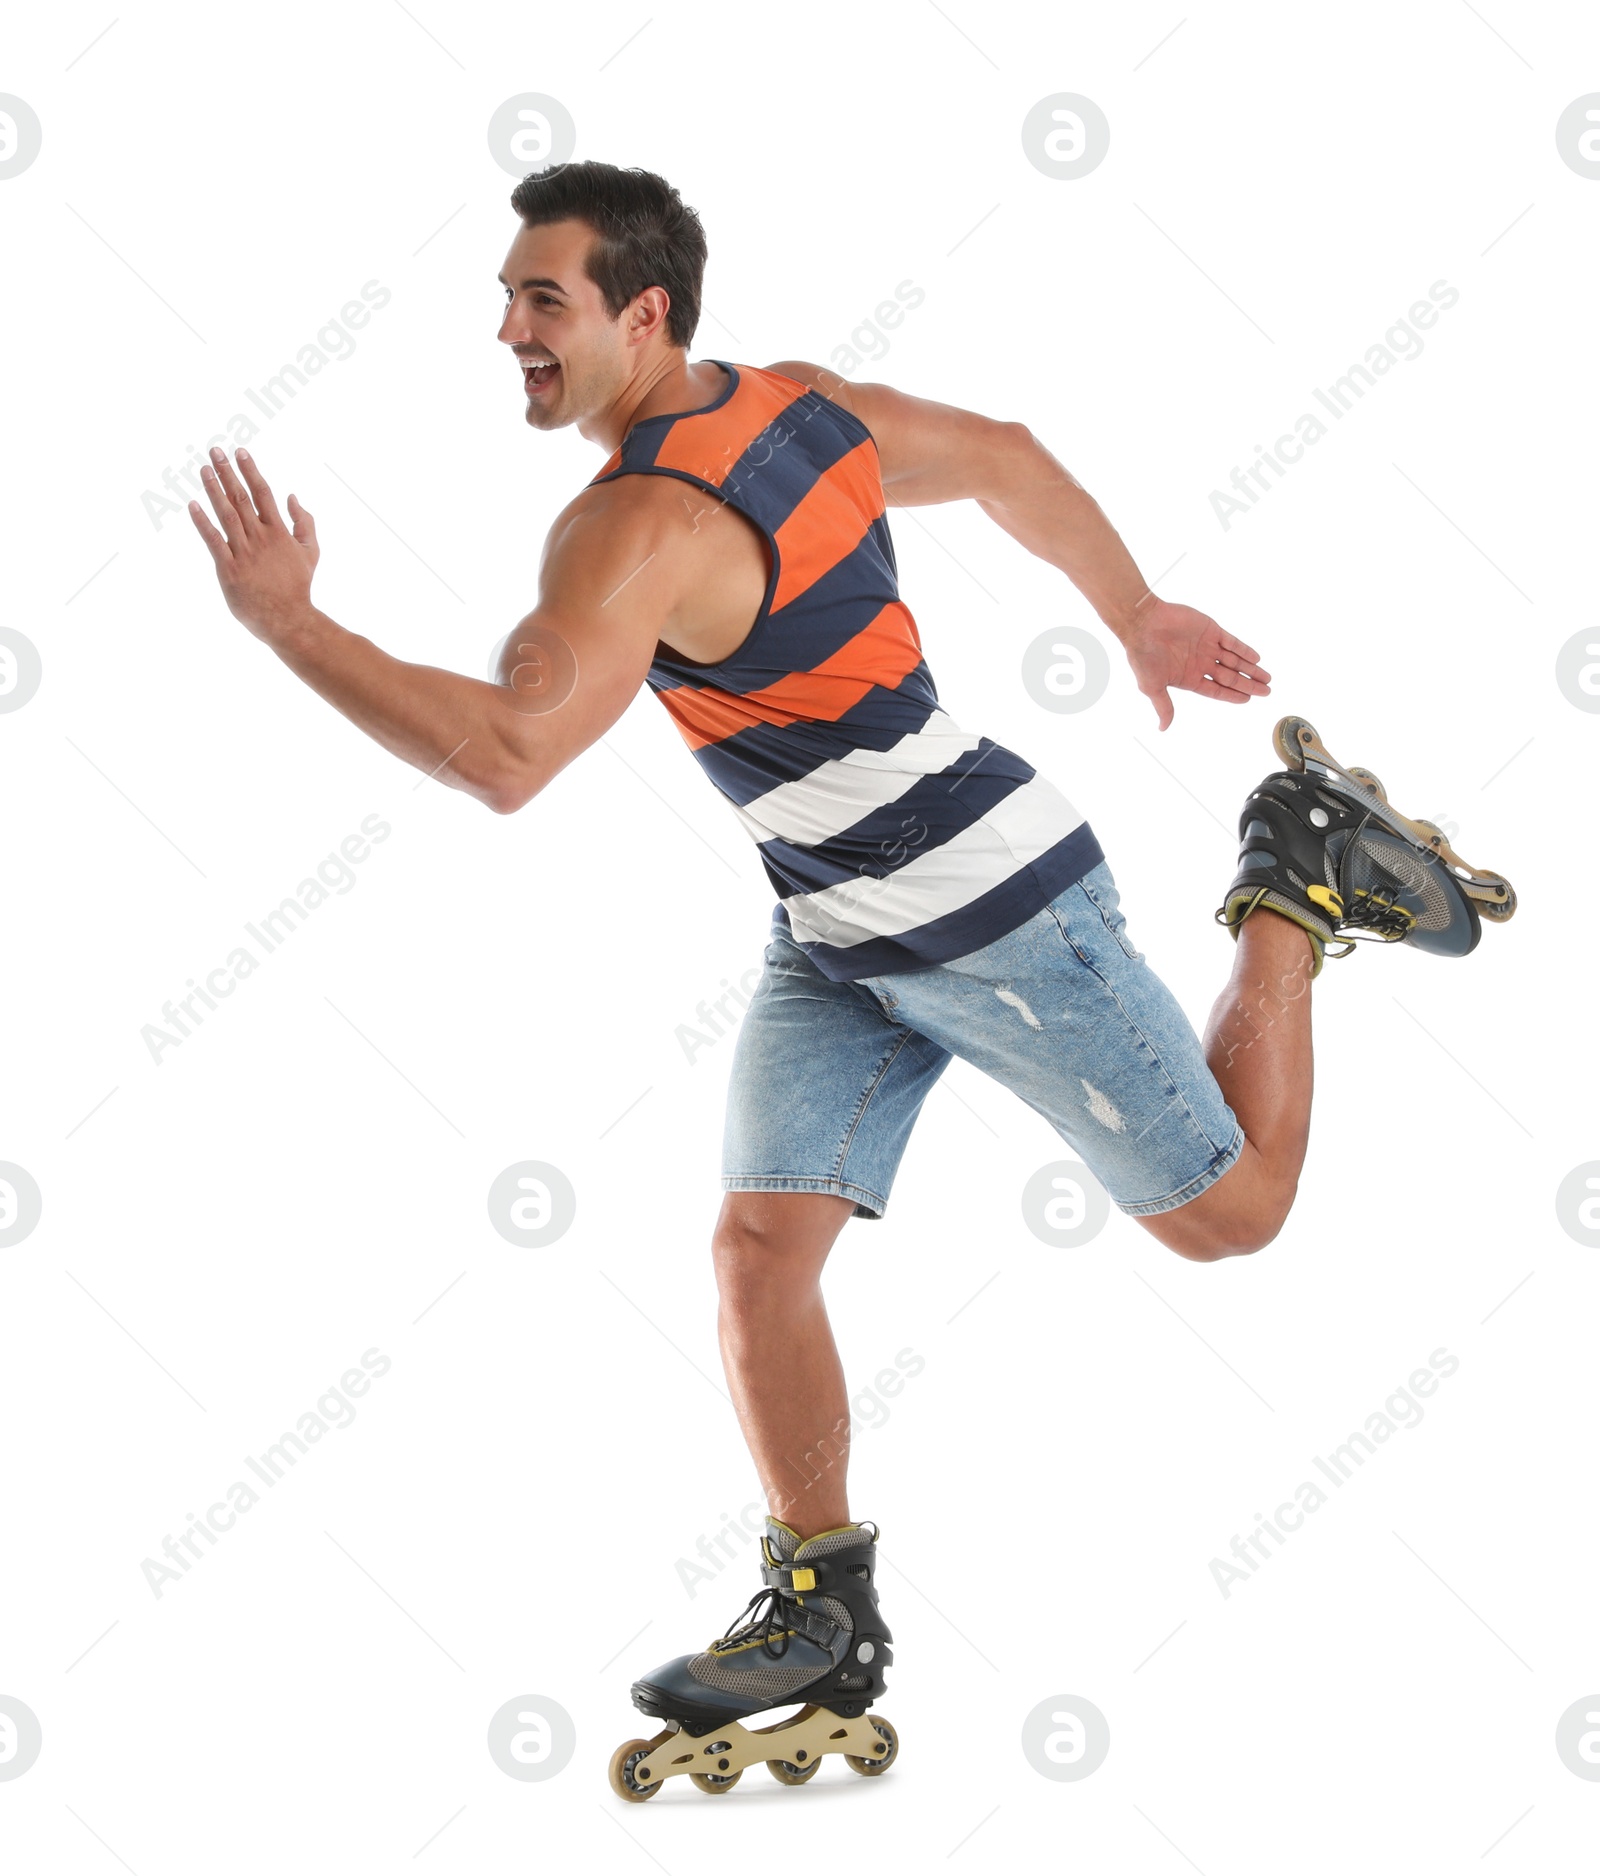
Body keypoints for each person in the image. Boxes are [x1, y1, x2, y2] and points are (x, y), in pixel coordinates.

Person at [186, 160, 1512, 1800]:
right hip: (836, 925)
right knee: (759, 1248)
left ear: (643, 312)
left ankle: (1292, 889)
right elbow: (1010, 462)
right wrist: (1138, 609)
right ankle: (820, 1607)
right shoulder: (797, 403)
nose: (511, 331)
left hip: (991, 913)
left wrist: (290, 627)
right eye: (508, 297)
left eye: (545, 300)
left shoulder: (637, 526)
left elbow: (515, 752)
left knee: (1232, 1217)